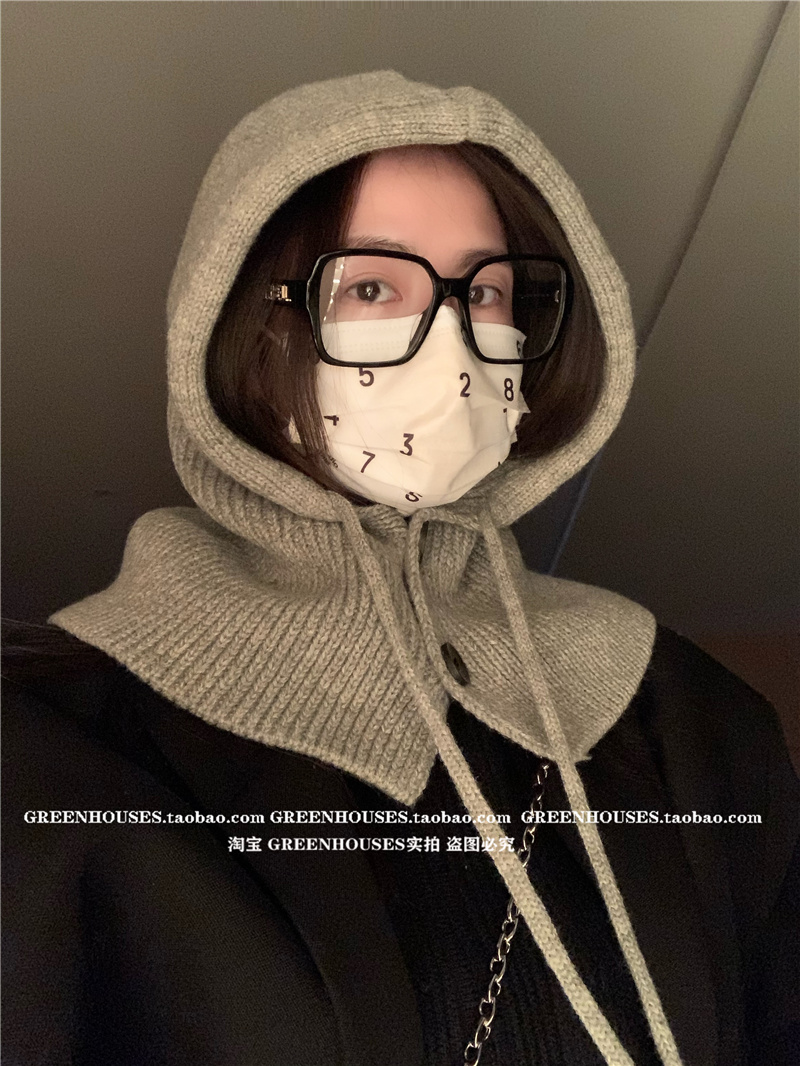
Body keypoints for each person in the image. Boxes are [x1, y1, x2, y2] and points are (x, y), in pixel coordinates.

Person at [3, 70, 798, 1066]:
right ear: (241, 325)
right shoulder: (52, 736)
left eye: (488, 290)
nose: (454, 346)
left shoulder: (687, 713)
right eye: (373, 287)